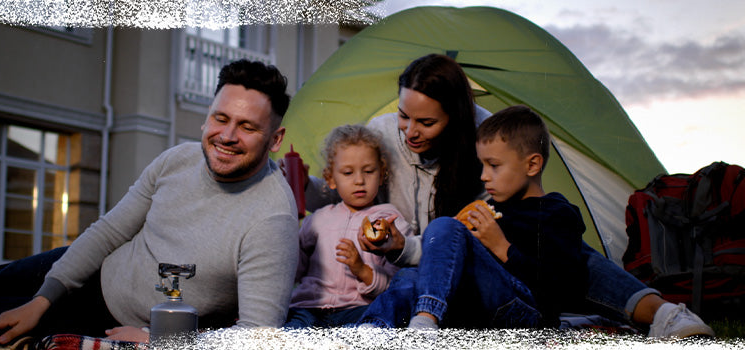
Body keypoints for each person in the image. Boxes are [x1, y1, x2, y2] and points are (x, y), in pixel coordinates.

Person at [307, 53, 713, 337]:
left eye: (426, 122)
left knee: (569, 248)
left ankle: (662, 313)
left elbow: (495, 234)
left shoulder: (485, 139)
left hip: (482, 263)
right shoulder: (381, 134)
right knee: (412, 281)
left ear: (455, 121)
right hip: (414, 266)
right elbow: (337, 187)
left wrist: (491, 241)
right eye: (403, 115)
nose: (409, 131)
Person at [0, 59, 301, 344]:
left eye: (247, 126)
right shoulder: (176, 160)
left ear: (275, 139)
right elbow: (109, 232)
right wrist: (42, 299)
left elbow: (257, 335)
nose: (227, 136)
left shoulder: (272, 219)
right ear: (207, 118)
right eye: (221, 118)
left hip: (114, 321)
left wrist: (158, 341)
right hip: (80, 271)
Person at [360, 105, 587, 329]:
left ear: (532, 165)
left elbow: (563, 288)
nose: (484, 176)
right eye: (482, 165)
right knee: (410, 275)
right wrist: (458, 242)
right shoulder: (489, 209)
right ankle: (371, 330)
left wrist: (503, 248)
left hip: (528, 313)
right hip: (478, 308)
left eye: (494, 166)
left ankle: (425, 321)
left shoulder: (556, 214)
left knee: (444, 226)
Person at [283, 124, 410, 328]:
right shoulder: (317, 219)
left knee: (374, 328)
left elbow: (396, 287)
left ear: (382, 174)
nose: (359, 180)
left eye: (368, 171)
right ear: (331, 179)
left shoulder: (390, 221)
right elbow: (292, 272)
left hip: (358, 309)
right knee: (291, 334)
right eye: (348, 173)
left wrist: (361, 269)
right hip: (308, 308)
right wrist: (287, 239)